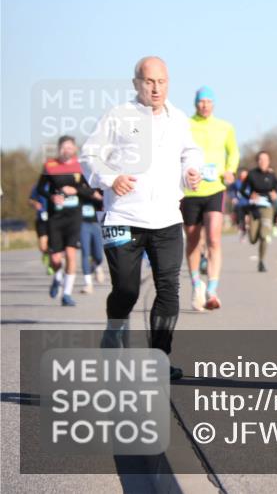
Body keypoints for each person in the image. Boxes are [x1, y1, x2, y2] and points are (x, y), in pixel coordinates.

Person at [80, 56, 203, 381]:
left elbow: (191, 151)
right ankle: (113, 333)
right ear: (136, 83)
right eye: (149, 81)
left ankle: (159, 358)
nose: (155, 88)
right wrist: (109, 178)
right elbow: (89, 154)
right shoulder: (118, 116)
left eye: (161, 81)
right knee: (126, 291)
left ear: (168, 83)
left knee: (168, 288)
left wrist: (193, 170)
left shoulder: (178, 119)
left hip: (166, 218)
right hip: (122, 216)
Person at [181, 86, 240, 312]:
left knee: (214, 238)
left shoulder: (225, 127)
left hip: (215, 187)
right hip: (191, 191)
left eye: (208, 101)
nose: (204, 105)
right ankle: (196, 284)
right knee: (194, 240)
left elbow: (233, 151)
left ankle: (212, 290)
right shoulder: (185, 125)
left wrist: (230, 169)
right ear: (195, 104)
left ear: (214, 104)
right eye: (200, 102)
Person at [36, 135, 95, 306]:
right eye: (63, 147)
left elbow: (89, 190)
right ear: (59, 148)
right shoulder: (49, 165)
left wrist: (75, 190)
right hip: (55, 217)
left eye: (70, 147)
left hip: (74, 217)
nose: (66, 150)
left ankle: (67, 294)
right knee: (55, 259)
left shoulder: (80, 166)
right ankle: (57, 277)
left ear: (74, 149)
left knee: (70, 254)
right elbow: (40, 188)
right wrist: (52, 196)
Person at [240, 151, 277, 272]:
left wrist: (275, 193)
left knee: (264, 236)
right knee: (253, 239)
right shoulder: (252, 174)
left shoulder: (271, 175)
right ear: (257, 161)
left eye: (265, 159)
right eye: (260, 159)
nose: (263, 162)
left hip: (267, 208)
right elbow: (243, 190)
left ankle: (261, 261)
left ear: (269, 161)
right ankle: (252, 230)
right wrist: (250, 196)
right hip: (254, 208)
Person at [79, 185, 106, 292]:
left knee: (99, 255)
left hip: (96, 224)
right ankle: (88, 283)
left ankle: (96, 266)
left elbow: (105, 201)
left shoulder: (99, 187)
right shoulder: (78, 185)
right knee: (85, 252)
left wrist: (98, 197)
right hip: (82, 224)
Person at [28, 185, 52, 275]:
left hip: (54, 219)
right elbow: (30, 200)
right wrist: (34, 203)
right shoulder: (37, 186)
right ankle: (45, 253)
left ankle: (51, 265)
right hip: (41, 219)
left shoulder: (58, 183)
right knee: (43, 246)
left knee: (53, 245)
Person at [231, 168, 250, 241]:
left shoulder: (250, 183)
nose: (244, 176)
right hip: (240, 204)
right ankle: (243, 231)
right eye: (242, 175)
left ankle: (247, 227)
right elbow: (231, 191)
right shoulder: (237, 183)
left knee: (247, 218)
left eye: (245, 175)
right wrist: (233, 198)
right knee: (241, 220)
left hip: (249, 204)